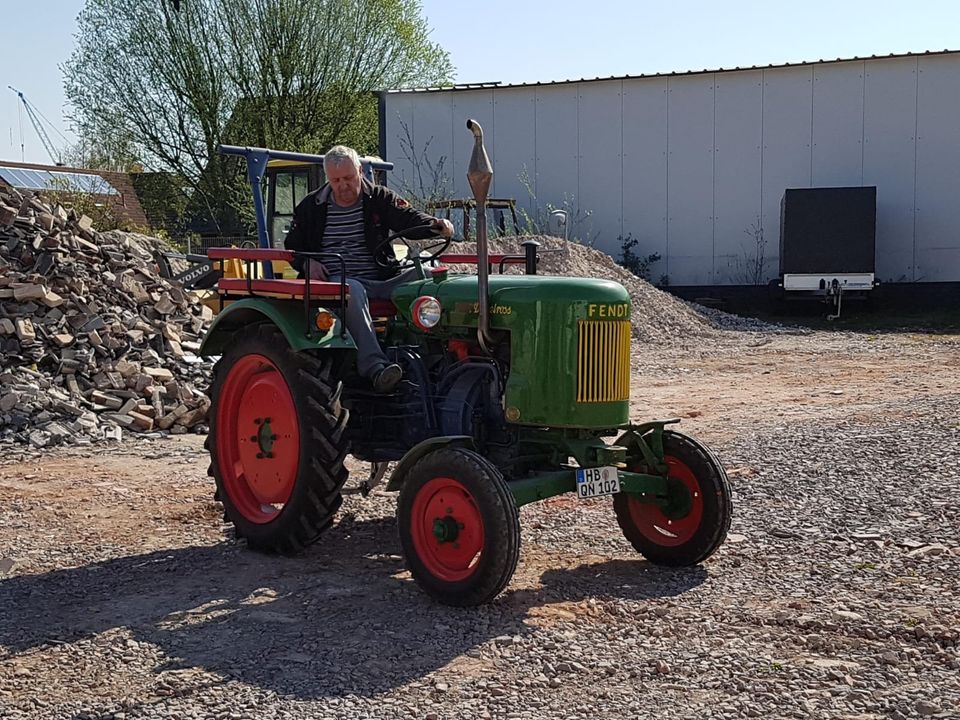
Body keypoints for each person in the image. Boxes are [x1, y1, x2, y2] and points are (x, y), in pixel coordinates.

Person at [284, 145, 454, 393]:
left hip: (382, 278)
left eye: (348, 178)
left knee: (430, 274)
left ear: (360, 171)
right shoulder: (311, 207)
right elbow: (293, 248)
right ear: (328, 179)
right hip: (338, 281)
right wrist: (307, 263)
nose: (343, 186)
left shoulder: (379, 198)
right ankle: (375, 367)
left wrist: (435, 225)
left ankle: (441, 354)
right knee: (351, 289)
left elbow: (408, 218)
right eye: (336, 180)